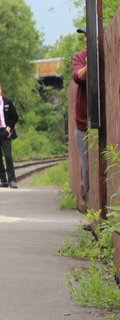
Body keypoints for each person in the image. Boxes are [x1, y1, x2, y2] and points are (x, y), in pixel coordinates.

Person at [71, 32, 89, 198]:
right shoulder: (80, 57)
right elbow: (77, 77)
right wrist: (90, 64)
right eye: (84, 37)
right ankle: (91, 207)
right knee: (88, 168)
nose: (85, 39)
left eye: (88, 36)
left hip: (102, 121)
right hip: (83, 123)